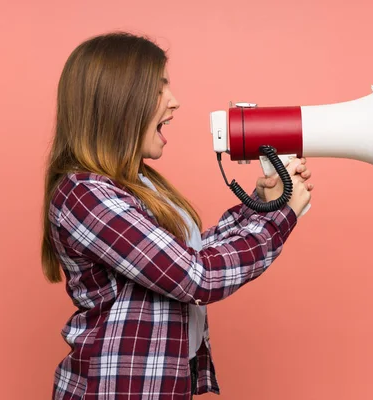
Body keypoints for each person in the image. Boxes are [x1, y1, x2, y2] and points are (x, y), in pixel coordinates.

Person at [41, 31, 314, 400]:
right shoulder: (86, 195)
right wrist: (282, 219)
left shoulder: (134, 183)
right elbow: (195, 277)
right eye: (158, 89)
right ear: (119, 100)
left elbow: (190, 253)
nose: (175, 103)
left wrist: (262, 204)